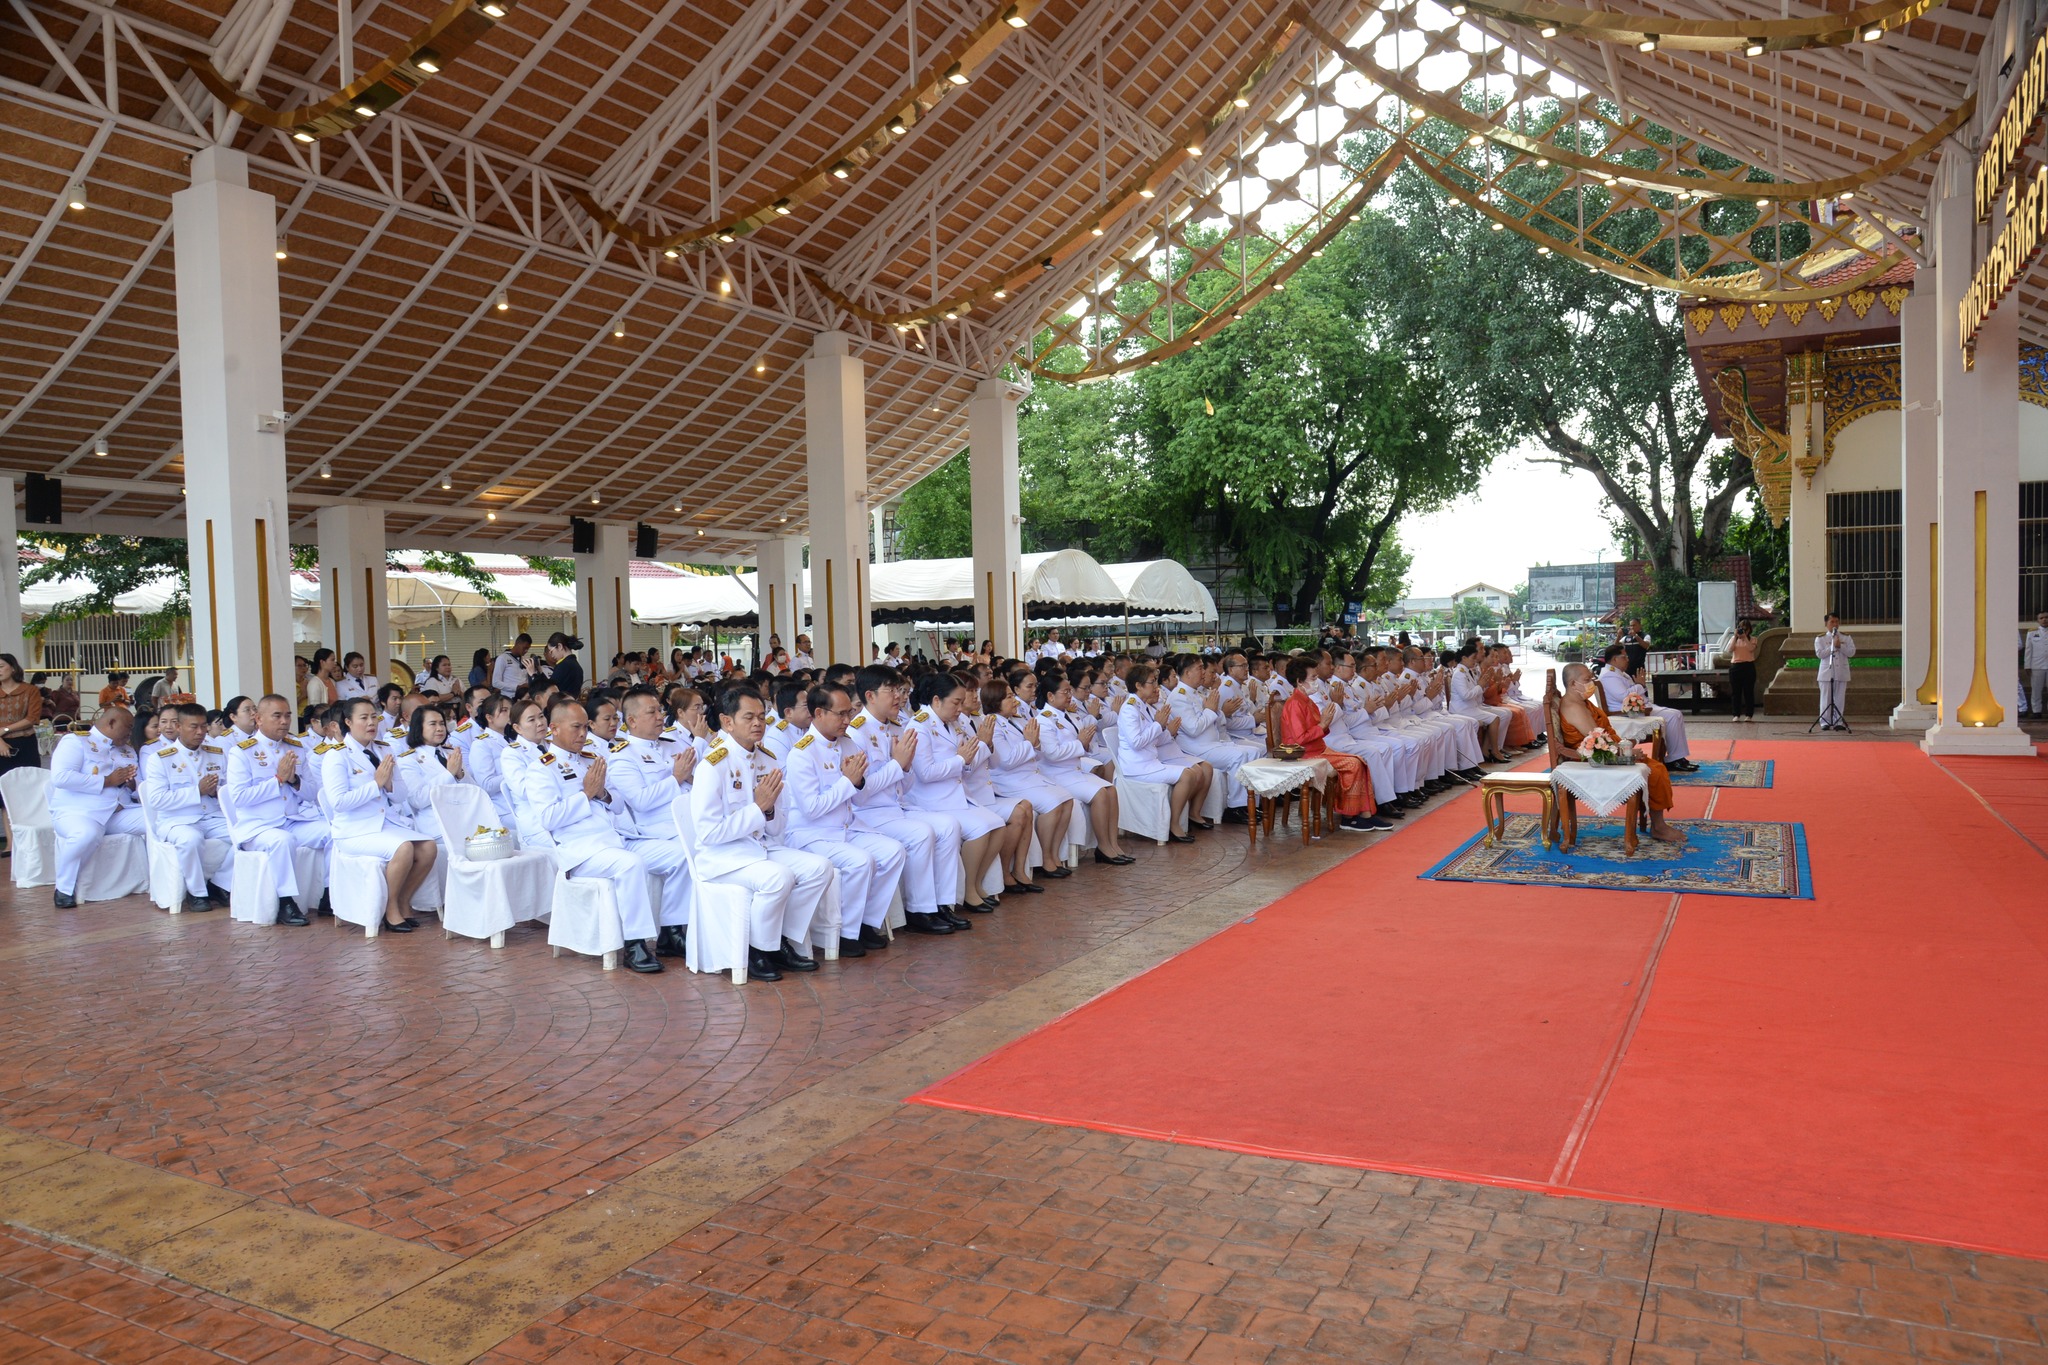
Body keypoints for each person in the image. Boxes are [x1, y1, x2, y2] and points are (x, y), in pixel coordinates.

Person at [689, 685, 831, 980]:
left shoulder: (768, 760)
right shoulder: (712, 765)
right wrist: (758, 808)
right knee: (778, 878)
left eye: (762, 717)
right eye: (749, 717)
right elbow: (708, 833)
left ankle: (779, 939)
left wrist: (767, 812)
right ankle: (757, 950)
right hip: (723, 858)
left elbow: (778, 827)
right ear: (727, 722)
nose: (758, 724)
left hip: (759, 847)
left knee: (821, 869)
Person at [512, 699, 664, 973]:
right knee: (632, 865)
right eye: (575, 728)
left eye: (585, 727)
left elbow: (618, 804)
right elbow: (548, 817)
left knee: (672, 855)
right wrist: (586, 794)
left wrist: (602, 793)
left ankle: (671, 932)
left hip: (614, 841)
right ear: (554, 729)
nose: (583, 734)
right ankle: (635, 944)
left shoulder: (592, 760)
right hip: (581, 850)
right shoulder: (541, 768)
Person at [781, 681, 907, 958]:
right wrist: (848, 782)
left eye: (849, 712)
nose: (847, 720)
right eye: (840, 714)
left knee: (894, 851)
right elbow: (812, 809)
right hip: (812, 833)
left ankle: (865, 921)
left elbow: (860, 799)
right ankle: (846, 933)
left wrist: (857, 783)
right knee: (860, 861)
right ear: (818, 714)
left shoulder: (848, 744)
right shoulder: (802, 753)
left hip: (846, 826)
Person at [321, 697, 438, 933]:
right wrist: (375, 785)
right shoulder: (337, 755)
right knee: (403, 847)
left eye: (374, 717)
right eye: (363, 718)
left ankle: (403, 899)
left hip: (385, 822)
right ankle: (390, 908)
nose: (371, 722)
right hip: (355, 830)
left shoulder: (384, 749)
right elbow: (339, 802)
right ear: (348, 722)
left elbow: (401, 794)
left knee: (428, 847)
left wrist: (389, 786)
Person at [602, 689, 696, 959]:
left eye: (660, 710)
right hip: (648, 835)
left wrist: (687, 777)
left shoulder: (671, 744)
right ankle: (671, 931)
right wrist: (675, 778)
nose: (659, 716)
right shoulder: (622, 756)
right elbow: (640, 802)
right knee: (683, 856)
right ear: (631, 721)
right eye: (651, 712)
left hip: (686, 825)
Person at [225, 695, 329, 925]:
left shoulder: (296, 748)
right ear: (258, 719)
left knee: (332, 832)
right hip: (258, 826)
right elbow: (240, 798)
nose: (284, 721)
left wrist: (294, 781)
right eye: (277, 716)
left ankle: (328, 893)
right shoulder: (241, 752)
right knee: (282, 841)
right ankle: (285, 902)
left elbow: (313, 792)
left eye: (288, 715)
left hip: (292, 820)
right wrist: (278, 780)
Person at [1556, 663, 1684, 844]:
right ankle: (1658, 826)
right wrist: (1627, 753)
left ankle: (1657, 824)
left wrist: (1625, 747)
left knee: (1655, 768)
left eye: (1591, 678)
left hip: (1603, 750)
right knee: (1655, 770)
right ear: (1572, 684)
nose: (1591, 683)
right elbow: (1598, 742)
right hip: (1591, 760)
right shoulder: (1573, 707)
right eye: (1586, 680)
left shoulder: (1581, 702)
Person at [48, 706, 147, 908]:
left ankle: (162, 880)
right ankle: (64, 889)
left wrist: (130, 784)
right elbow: (61, 777)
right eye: (127, 727)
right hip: (79, 812)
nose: (130, 732)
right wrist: (106, 781)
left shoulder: (127, 750)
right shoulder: (76, 741)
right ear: (111, 723)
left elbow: (138, 787)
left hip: (119, 812)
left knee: (160, 821)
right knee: (86, 834)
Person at [141, 702, 236, 913]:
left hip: (211, 816)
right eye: (194, 727)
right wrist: (197, 791)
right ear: (178, 727)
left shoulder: (216, 753)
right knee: (190, 839)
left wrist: (216, 791)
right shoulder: (160, 758)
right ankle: (197, 893)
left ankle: (220, 883)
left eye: (204, 726)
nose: (201, 732)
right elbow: (156, 799)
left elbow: (228, 788)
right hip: (177, 820)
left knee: (244, 834)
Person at [1280, 658, 1389, 832]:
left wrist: (1324, 724)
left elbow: (1321, 728)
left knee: (1359, 760)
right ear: (1300, 682)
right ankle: (1348, 817)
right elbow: (1300, 739)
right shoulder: (1294, 704)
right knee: (1353, 764)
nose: (1316, 682)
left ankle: (1366, 814)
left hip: (1318, 749)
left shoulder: (1307, 701)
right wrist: (1323, 725)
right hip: (1303, 754)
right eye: (1313, 678)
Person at [1116, 664, 1212, 843]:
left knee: (1192, 773)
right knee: (1186, 775)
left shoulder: (1142, 706)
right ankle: (1174, 825)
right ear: (1138, 686)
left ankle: (1178, 820)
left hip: (1149, 761)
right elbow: (1136, 742)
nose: (1155, 686)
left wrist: (1166, 730)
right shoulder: (1130, 708)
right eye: (1152, 682)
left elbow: (1154, 739)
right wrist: (1158, 725)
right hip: (1137, 766)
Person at [1596, 644, 1696, 770]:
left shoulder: (1620, 673)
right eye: (1625, 657)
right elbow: (1623, 696)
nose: (1628, 659)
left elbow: (1637, 694)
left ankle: (1677, 758)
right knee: (1673, 715)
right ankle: (1674, 759)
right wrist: (1639, 685)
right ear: (1615, 659)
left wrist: (1639, 686)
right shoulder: (1609, 675)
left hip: (1637, 708)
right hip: (1626, 712)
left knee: (1674, 714)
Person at [0, 654, 43, 789]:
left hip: (25, 743)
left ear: (13, 668)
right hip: (1, 744)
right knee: (5, 793)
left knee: (28, 788)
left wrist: (5, 729)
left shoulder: (31, 690)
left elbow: (32, 718)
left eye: (1, 667)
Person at [1815, 613, 1855, 729]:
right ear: (1826, 624)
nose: (1835, 624)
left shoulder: (1846, 637)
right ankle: (1825, 722)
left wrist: (1840, 646)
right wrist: (1832, 645)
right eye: (1832, 622)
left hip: (1841, 672)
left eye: (1837, 621)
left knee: (1839, 698)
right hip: (1826, 672)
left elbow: (1852, 652)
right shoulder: (1821, 638)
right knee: (1825, 698)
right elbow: (1820, 654)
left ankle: (1838, 722)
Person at [1727, 621, 1760, 722]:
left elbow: (1751, 649)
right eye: (1741, 629)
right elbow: (1730, 649)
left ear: (1749, 630)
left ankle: (1749, 714)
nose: (1743, 631)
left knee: (1748, 692)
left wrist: (1745, 638)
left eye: (1745, 629)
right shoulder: (1734, 639)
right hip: (1736, 666)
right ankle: (1736, 714)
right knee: (1736, 692)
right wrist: (1735, 637)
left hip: (1748, 666)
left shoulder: (1753, 639)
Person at [542, 633, 584, 698]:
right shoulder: (575, 664)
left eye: (551, 651)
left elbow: (549, 687)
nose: (552, 655)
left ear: (559, 646)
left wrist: (535, 674)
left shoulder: (564, 665)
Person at [2025, 612, 2048, 719]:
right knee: (2036, 689)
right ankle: (2036, 711)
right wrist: (2027, 665)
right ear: (2038, 620)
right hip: (2037, 665)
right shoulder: (2032, 632)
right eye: (2041, 618)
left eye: (2046, 617)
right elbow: (2028, 650)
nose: (2044, 619)